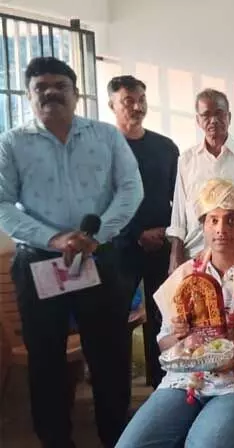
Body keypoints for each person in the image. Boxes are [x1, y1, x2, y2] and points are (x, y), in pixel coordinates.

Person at [0, 57, 143, 447]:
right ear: (29, 95)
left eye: (59, 86)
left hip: (98, 257)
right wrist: (54, 239)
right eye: (40, 87)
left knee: (109, 356)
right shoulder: (12, 142)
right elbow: (2, 203)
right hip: (39, 263)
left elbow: (130, 188)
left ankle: (117, 437)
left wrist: (96, 235)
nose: (50, 93)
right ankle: (55, 440)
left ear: (76, 94)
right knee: (46, 360)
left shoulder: (105, 136)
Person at [117, 179, 234, 447]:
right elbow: (164, 342)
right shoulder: (185, 276)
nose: (221, 229)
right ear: (204, 226)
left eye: (232, 221)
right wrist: (180, 337)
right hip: (184, 382)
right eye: (213, 220)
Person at [108, 74, 180, 388]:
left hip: (161, 244)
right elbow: (101, 201)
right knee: (116, 318)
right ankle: (118, 389)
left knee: (164, 316)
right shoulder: (105, 148)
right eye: (128, 101)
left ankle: (162, 383)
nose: (137, 107)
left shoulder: (165, 147)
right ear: (112, 104)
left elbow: (180, 197)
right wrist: (136, 233)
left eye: (141, 100)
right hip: (119, 247)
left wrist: (167, 231)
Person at [167, 89, 234, 273]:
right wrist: (175, 257)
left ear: (229, 117)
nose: (213, 120)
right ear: (198, 120)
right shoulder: (187, 160)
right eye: (206, 115)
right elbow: (179, 216)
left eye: (219, 114)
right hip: (194, 255)